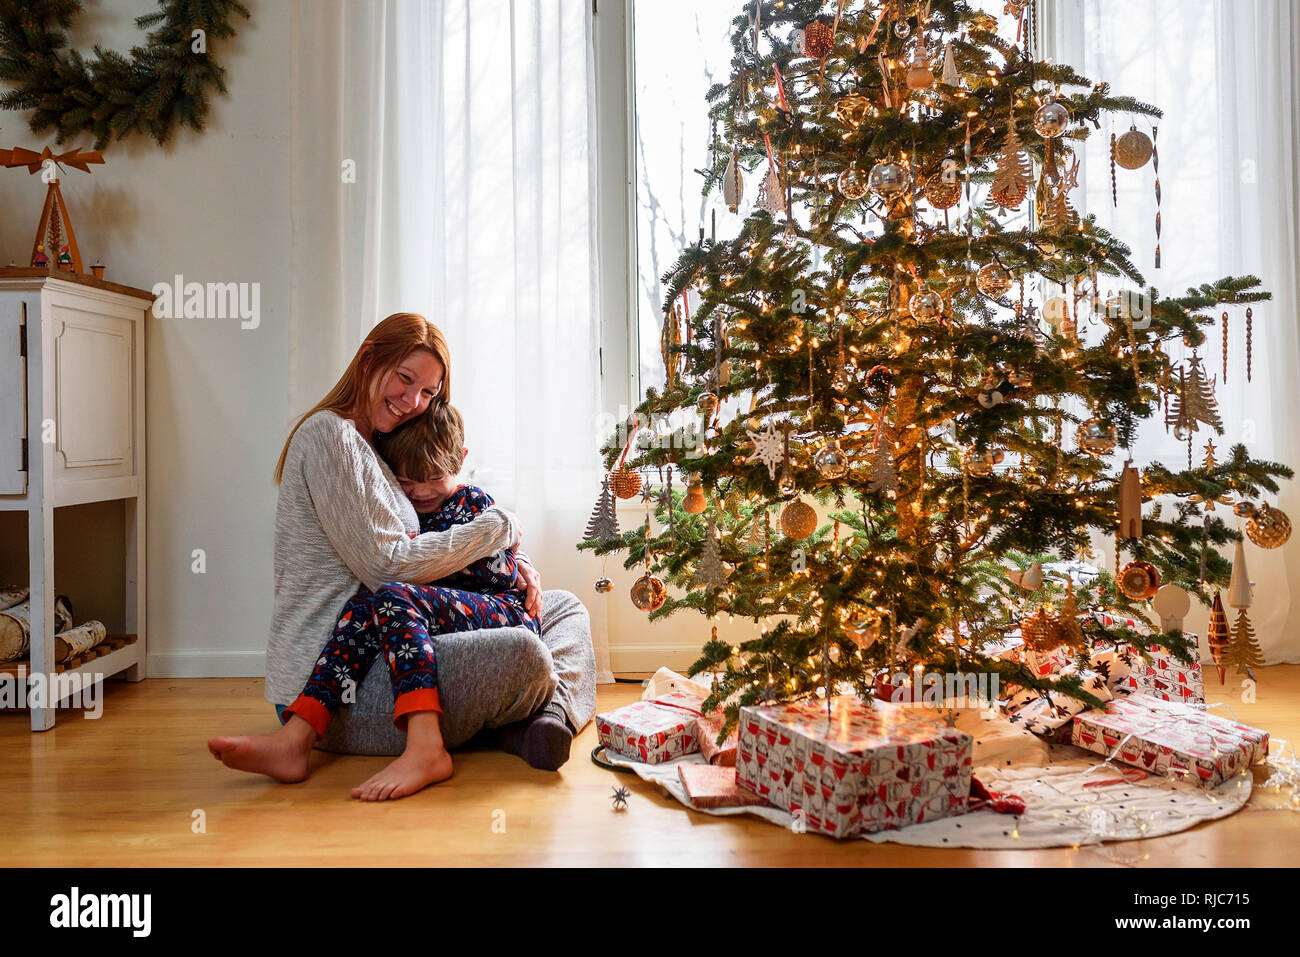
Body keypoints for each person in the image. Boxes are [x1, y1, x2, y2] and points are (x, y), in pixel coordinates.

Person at [207, 312, 595, 800]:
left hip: (397, 644)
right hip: (349, 681)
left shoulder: (382, 445)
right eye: (405, 379)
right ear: (369, 358)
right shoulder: (333, 437)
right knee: (525, 653)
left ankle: (537, 723)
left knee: (563, 607)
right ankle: (526, 717)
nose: (413, 401)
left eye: (429, 393)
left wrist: (519, 564)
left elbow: (443, 533)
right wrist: (502, 528)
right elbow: (387, 567)